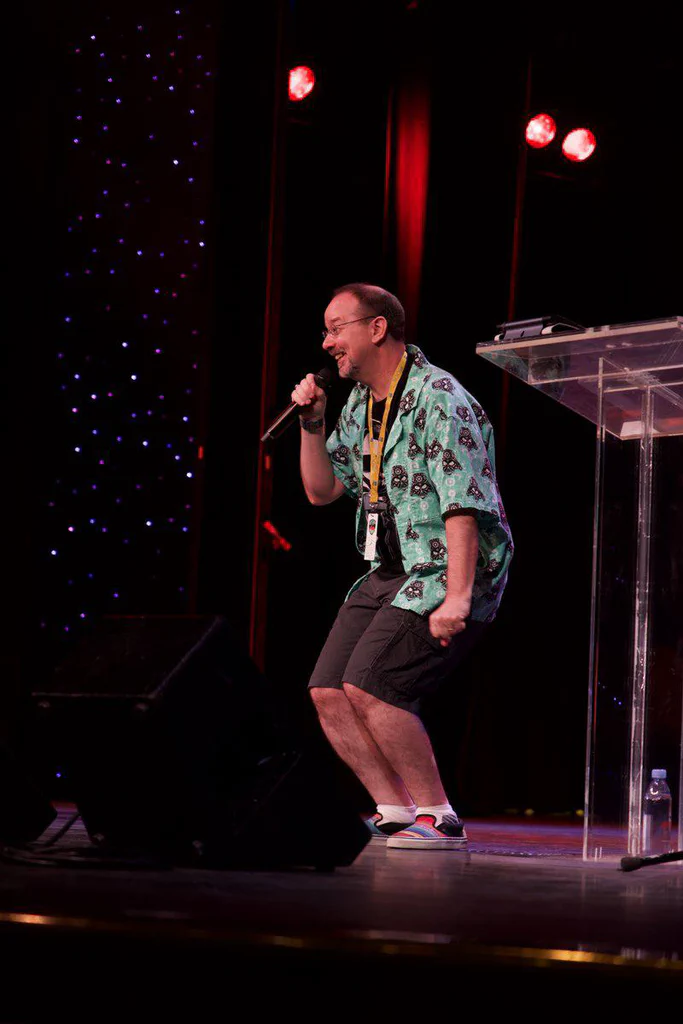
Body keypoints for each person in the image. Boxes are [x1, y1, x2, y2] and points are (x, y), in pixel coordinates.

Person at [292, 283, 513, 850]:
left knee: (373, 685)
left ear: (377, 328)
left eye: (336, 326)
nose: (327, 342)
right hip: (391, 565)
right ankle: (393, 808)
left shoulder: (439, 396)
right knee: (327, 690)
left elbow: (463, 503)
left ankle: (439, 816)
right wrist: (312, 424)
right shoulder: (363, 405)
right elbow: (322, 491)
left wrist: (458, 597)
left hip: (447, 566)